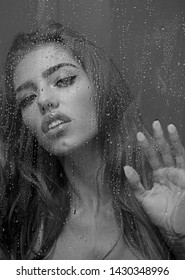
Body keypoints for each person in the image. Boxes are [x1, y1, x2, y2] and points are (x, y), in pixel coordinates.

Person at [0, 21, 184, 260]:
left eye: (63, 80)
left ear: (100, 88)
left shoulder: (164, 199)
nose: (44, 101)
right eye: (27, 98)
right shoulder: (21, 220)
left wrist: (180, 243)